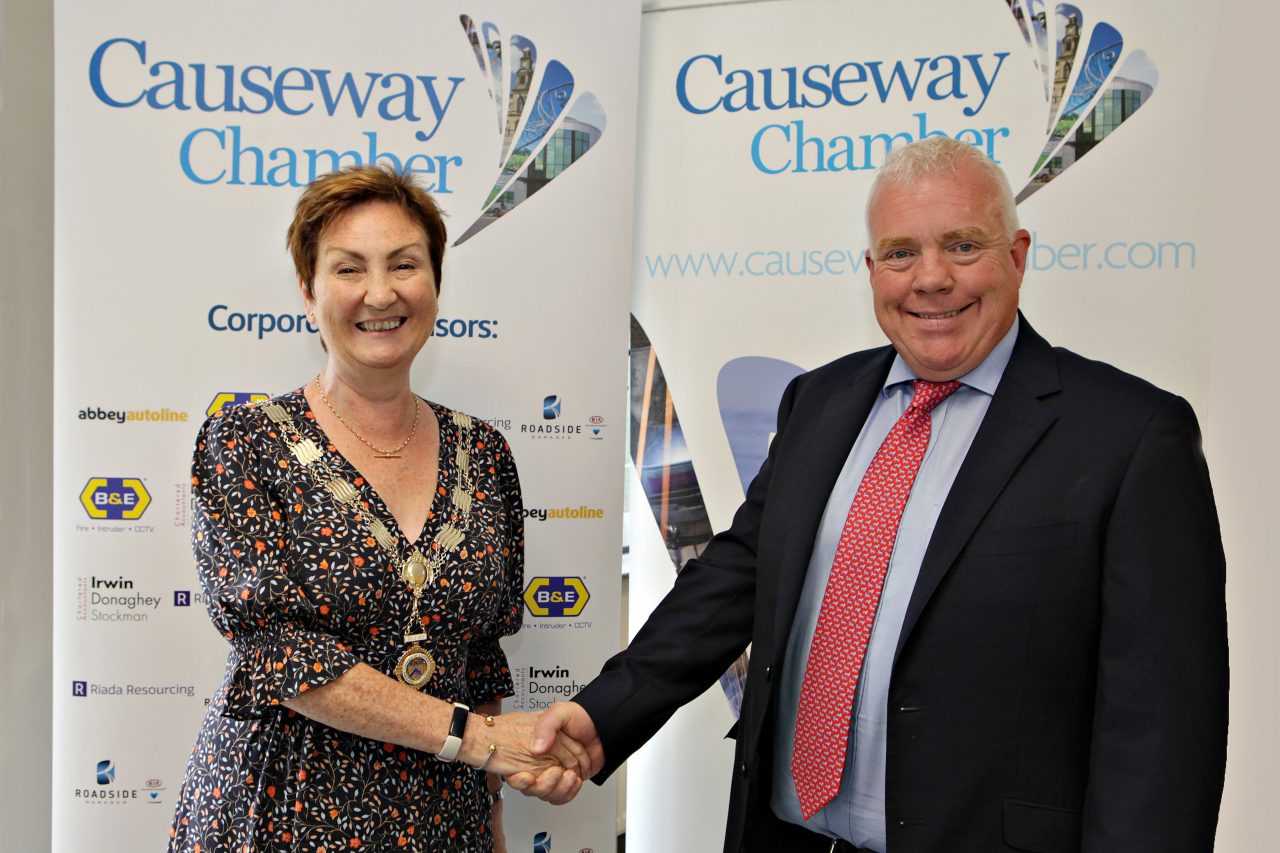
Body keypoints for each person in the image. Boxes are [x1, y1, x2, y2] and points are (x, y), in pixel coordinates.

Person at [512, 137, 1229, 852]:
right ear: (871, 269)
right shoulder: (819, 401)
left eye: (963, 245)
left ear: (1016, 255)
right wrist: (603, 716)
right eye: (901, 253)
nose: (931, 278)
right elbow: (736, 579)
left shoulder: (1129, 437)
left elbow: (1162, 728)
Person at [169, 165, 585, 853]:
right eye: (348, 268)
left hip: (443, 818)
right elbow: (281, 652)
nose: (381, 292)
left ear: (435, 284)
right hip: (284, 812)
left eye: (403, 264)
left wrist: (494, 812)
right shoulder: (244, 442)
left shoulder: (483, 452)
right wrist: (478, 741)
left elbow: (480, 659)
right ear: (308, 291)